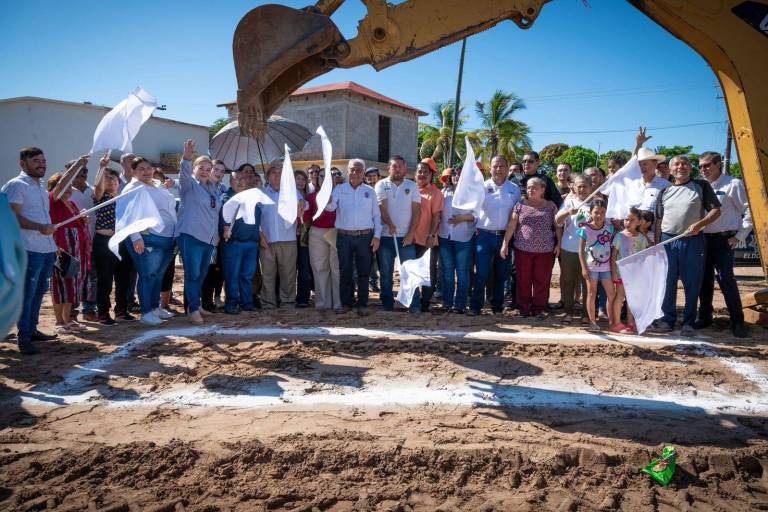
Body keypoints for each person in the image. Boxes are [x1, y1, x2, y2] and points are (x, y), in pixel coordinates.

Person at [652, 155, 721, 336]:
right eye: (676, 164)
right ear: (671, 169)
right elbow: (659, 220)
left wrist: (699, 225)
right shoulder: (664, 192)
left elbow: (716, 211)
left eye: (684, 164)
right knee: (668, 282)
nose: (680, 167)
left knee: (692, 283)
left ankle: (689, 322)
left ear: (690, 168)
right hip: (668, 241)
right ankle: (668, 319)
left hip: (693, 241)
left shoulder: (701, 186)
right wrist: (658, 244)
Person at [2, 147, 59, 354]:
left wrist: (52, 242)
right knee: (27, 293)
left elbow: (44, 219)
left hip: (45, 248)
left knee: (38, 292)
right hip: (28, 249)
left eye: (43, 160)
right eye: (36, 160)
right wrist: (39, 227)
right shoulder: (17, 185)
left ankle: (32, 330)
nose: (41, 164)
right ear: (22, 163)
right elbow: (12, 217)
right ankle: (23, 337)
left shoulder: (41, 188)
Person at [696, 151, 752, 337]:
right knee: (704, 280)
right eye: (700, 166)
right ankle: (705, 317)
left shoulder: (733, 184)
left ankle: (737, 321)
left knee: (726, 279)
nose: (703, 169)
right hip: (704, 239)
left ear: (718, 164)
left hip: (723, 240)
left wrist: (739, 236)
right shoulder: (700, 186)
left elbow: (748, 211)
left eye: (707, 165)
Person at [123, 157, 177, 326]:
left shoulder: (157, 184)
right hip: (147, 237)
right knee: (148, 274)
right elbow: (128, 214)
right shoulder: (132, 188)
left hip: (168, 237)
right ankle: (146, 311)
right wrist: (136, 236)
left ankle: (155, 307)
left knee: (158, 274)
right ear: (133, 171)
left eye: (149, 167)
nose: (146, 171)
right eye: (141, 169)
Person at [326, 158, 381, 315]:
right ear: (347, 171)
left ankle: (362, 304)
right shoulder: (339, 189)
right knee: (346, 271)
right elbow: (330, 208)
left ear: (363, 173)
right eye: (352, 169)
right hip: (344, 237)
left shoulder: (370, 191)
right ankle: (346, 303)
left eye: (358, 170)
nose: (355, 173)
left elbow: (376, 216)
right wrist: (327, 199)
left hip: (365, 237)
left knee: (364, 272)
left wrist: (376, 236)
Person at [176, 140, 222, 324]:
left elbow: (214, 214)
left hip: (208, 239)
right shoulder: (189, 185)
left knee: (202, 274)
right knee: (193, 273)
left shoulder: (212, 189)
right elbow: (184, 175)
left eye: (208, 168)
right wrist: (187, 158)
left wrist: (216, 236)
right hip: (191, 235)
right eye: (201, 168)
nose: (204, 171)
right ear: (194, 169)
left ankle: (198, 304)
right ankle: (193, 309)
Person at [469, 155, 521, 316]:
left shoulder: (514, 189)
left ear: (507, 168)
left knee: (501, 273)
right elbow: (472, 210)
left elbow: (517, 214)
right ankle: (476, 306)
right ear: (490, 168)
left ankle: (497, 306)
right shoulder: (482, 187)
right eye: (495, 166)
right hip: (484, 235)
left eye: (502, 166)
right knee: (482, 273)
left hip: (505, 237)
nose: (498, 169)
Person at [500, 177, 559, 320]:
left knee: (542, 280)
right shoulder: (519, 205)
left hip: (545, 251)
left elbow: (558, 226)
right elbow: (512, 225)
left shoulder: (551, 206)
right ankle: (524, 308)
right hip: (522, 249)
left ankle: (539, 308)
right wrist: (505, 243)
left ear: (542, 189)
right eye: (528, 187)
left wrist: (559, 244)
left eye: (534, 187)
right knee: (523, 280)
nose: (530, 190)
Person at [47, 162, 92, 334]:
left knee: (72, 285)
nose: (68, 190)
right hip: (62, 250)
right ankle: (59, 321)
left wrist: (84, 220)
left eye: (69, 187)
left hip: (76, 251)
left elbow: (78, 225)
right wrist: (76, 166)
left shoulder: (72, 204)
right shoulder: (53, 201)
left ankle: (68, 319)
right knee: (60, 285)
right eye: (64, 187)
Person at [375, 156, 421, 312]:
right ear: (389, 168)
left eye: (401, 166)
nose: (398, 169)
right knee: (386, 272)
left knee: (410, 273)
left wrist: (410, 233)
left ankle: (413, 304)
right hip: (386, 237)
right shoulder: (381, 185)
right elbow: (382, 207)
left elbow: (416, 212)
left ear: (405, 168)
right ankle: (387, 304)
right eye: (394, 166)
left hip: (406, 238)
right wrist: (389, 224)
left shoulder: (412, 186)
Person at [220, 167, 265, 315]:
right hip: (234, 243)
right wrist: (225, 229)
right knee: (232, 275)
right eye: (236, 179)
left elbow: (258, 220)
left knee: (247, 276)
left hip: (252, 243)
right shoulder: (226, 197)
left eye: (242, 178)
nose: (240, 182)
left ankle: (247, 303)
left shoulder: (253, 197)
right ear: (230, 182)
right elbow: (223, 219)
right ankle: (231, 303)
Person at [260, 164, 301, 309]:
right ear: (268, 177)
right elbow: (255, 217)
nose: (277, 177)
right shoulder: (261, 194)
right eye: (273, 173)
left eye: (280, 174)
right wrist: (260, 234)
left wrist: (301, 205)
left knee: (288, 274)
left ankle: (288, 302)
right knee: (268, 274)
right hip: (267, 241)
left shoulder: (292, 192)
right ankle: (268, 303)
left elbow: (304, 205)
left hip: (288, 239)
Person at [555, 174, 593, 324]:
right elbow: (557, 221)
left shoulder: (596, 203)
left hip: (590, 251)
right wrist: (566, 213)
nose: (582, 189)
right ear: (574, 187)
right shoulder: (569, 202)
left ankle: (586, 314)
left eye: (585, 186)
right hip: (569, 247)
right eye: (579, 186)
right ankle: (568, 313)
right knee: (568, 281)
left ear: (590, 187)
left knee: (588, 283)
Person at [438, 168, 475, 314]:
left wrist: (462, 218)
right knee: (447, 272)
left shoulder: (472, 194)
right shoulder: (444, 192)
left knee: (462, 272)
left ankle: (460, 304)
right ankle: (447, 303)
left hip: (463, 238)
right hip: (444, 236)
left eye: (460, 174)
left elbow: (477, 215)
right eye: (454, 174)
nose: (457, 177)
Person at [91, 154, 123, 325]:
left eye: (113, 178)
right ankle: (103, 312)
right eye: (107, 179)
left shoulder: (125, 198)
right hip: (103, 242)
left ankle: (122, 310)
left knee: (123, 278)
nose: (111, 181)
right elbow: (97, 189)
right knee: (105, 279)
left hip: (121, 241)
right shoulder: (100, 198)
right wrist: (101, 167)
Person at [577, 200, 616, 330]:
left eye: (602, 212)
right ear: (590, 213)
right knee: (592, 293)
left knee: (611, 294)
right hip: (591, 267)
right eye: (596, 212)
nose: (599, 215)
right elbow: (581, 251)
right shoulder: (585, 229)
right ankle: (592, 322)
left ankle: (612, 320)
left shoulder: (609, 228)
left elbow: (611, 247)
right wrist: (584, 267)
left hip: (606, 268)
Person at [610, 207, 650, 334]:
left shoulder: (642, 239)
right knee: (620, 296)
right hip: (622, 274)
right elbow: (613, 256)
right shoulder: (619, 236)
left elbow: (644, 258)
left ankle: (631, 322)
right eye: (626, 219)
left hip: (635, 275)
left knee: (632, 299)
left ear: (639, 222)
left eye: (632, 220)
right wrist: (614, 273)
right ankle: (616, 323)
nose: (628, 222)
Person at [306, 168, 340, 311]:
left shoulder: (340, 194)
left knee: (336, 268)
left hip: (337, 232)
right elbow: (306, 218)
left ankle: (338, 302)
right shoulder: (311, 197)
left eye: (329, 176)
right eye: (321, 176)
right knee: (320, 268)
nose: (324, 179)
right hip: (317, 232)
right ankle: (323, 303)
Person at [68, 161, 97, 322]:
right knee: (72, 278)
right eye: (79, 170)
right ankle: (71, 312)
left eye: (85, 170)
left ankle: (89, 309)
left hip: (92, 241)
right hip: (71, 243)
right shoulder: (64, 192)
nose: (83, 173)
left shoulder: (93, 191)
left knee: (92, 278)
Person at [412, 161, 443, 312]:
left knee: (428, 272)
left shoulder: (436, 193)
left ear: (431, 175)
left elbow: (436, 217)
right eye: (420, 171)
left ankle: (425, 303)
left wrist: (431, 235)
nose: (422, 174)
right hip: (410, 238)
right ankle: (414, 302)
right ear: (415, 174)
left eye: (426, 172)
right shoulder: (410, 189)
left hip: (427, 239)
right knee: (412, 271)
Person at [200, 159, 228, 311]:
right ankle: (198, 305)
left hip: (217, 235)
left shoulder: (222, 189)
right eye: (216, 169)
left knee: (213, 270)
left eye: (222, 171)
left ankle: (208, 302)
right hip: (202, 234)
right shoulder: (201, 187)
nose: (219, 173)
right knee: (201, 271)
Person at [294, 169, 313, 307]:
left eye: (303, 179)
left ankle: (303, 298)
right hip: (288, 238)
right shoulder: (286, 196)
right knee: (288, 270)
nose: (300, 182)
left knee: (304, 269)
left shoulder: (309, 198)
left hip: (304, 238)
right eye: (297, 178)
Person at [364, 166, 381, 292]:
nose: (371, 179)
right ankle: (371, 282)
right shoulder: (364, 191)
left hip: (382, 230)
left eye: (374, 176)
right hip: (368, 230)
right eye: (369, 177)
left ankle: (376, 281)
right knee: (370, 258)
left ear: (379, 177)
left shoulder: (383, 190)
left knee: (380, 259)